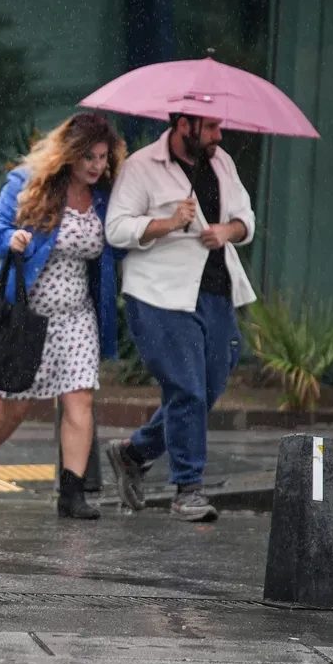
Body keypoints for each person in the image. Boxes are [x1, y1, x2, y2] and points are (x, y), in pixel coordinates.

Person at [0, 113, 125, 520]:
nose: (97, 166)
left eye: (103, 157)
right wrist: (10, 238)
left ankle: (73, 493)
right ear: (68, 155)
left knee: (80, 400)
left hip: (77, 316)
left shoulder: (105, 197)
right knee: (12, 409)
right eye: (88, 158)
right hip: (27, 317)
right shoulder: (30, 182)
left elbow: (123, 238)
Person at [104, 114, 254, 523]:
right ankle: (188, 489)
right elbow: (116, 229)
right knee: (186, 388)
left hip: (215, 290)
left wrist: (227, 231)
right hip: (158, 293)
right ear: (184, 124)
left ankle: (133, 452)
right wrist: (168, 223)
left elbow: (247, 220)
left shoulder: (221, 162)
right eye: (210, 128)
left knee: (207, 387)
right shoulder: (142, 166)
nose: (218, 135)